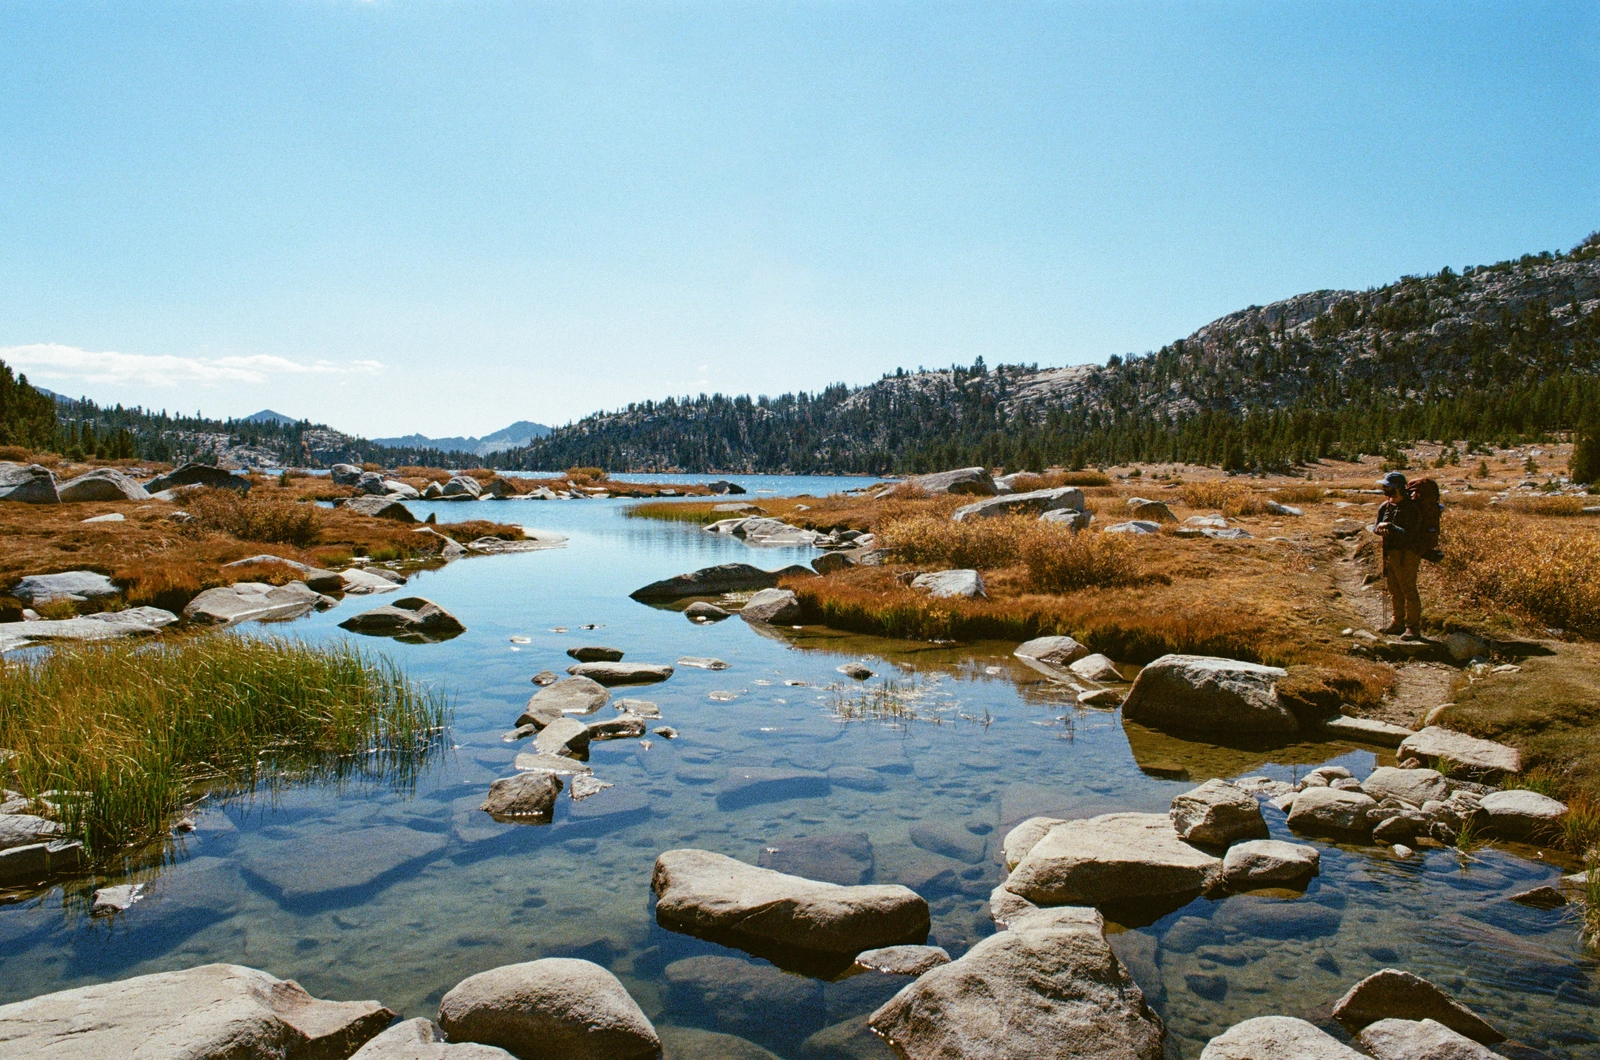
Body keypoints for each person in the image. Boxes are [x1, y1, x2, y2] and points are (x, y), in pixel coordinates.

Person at [1373, 470, 1423, 638]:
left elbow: (1411, 534)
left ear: (1397, 488)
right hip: (1390, 553)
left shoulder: (1412, 508)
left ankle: (1413, 628)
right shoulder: (1385, 506)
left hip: (1407, 554)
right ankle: (1397, 623)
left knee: (1408, 589)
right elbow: (1375, 528)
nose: (1384, 489)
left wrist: (1391, 528)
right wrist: (1381, 529)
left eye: (1387, 486)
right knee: (1394, 589)